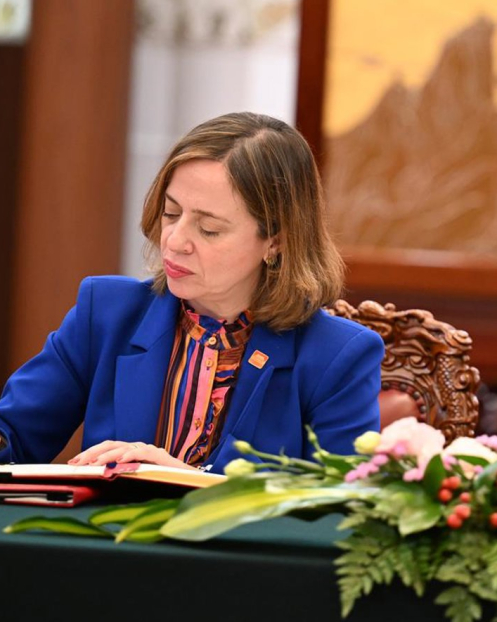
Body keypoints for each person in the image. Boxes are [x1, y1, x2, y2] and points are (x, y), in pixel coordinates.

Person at [0, 113, 383, 471]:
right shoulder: (106, 314)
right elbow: (13, 435)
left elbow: (340, 506)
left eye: (208, 229)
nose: (174, 240)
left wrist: (184, 478)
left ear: (276, 241)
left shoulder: (337, 356)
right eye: (171, 213)